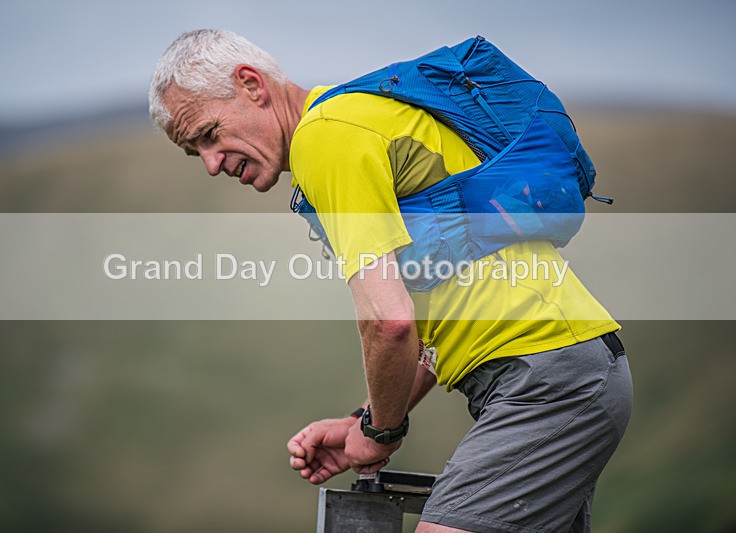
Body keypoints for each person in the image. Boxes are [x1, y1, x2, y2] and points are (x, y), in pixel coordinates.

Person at [149, 29, 633, 533]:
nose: (210, 163)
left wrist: (380, 433)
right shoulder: (352, 119)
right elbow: (423, 312)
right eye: (195, 152)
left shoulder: (325, 137)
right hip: (566, 369)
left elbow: (389, 322)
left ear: (251, 84)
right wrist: (364, 419)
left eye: (208, 134)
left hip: (548, 377)